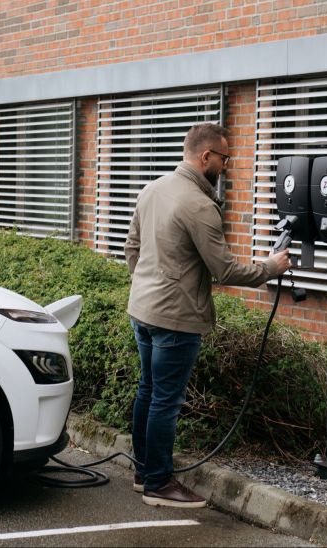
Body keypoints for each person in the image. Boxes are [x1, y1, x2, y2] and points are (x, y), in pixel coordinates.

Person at [124, 123, 291, 508]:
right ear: (205, 157)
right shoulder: (199, 205)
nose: (227, 166)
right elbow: (225, 270)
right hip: (175, 319)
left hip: (142, 311)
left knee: (148, 391)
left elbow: (132, 249)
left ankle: (143, 472)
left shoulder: (152, 189)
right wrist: (269, 268)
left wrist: (150, 285)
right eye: (224, 158)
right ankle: (159, 483)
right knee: (165, 400)